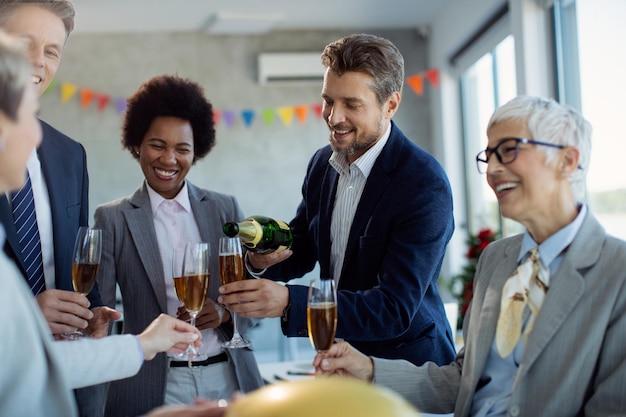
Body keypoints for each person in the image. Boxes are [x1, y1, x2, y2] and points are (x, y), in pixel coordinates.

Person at [313, 95, 626, 416]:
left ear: (567, 161)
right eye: (489, 155)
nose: (492, 170)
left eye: (508, 150)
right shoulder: (497, 259)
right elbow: (464, 380)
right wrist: (369, 370)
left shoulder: (618, 274)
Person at [0, 28, 223, 417]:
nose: (38, 133)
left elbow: (44, 365)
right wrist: (145, 345)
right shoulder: (112, 217)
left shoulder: (223, 207)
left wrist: (143, 342)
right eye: (26, 114)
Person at [218, 33, 456, 366]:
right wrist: (259, 262)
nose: (333, 117)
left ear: (390, 104)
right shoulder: (322, 164)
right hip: (338, 357)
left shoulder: (424, 182)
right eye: (328, 100)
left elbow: (394, 308)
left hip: (408, 368)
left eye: (351, 104)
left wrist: (290, 302)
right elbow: (304, 245)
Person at [94, 74, 264, 417]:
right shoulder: (111, 219)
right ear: (137, 144)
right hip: (153, 384)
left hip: (229, 377)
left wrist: (225, 315)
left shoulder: (225, 208)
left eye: (182, 149)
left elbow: (253, 300)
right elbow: (101, 318)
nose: (169, 159)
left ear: (196, 151)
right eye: (158, 144)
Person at [0, 2, 118, 415]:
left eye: (51, 50)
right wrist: (23, 319)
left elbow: (78, 253)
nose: (38, 61)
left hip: (66, 380)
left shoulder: (70, 153)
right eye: (24, 44)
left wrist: (91, 313)